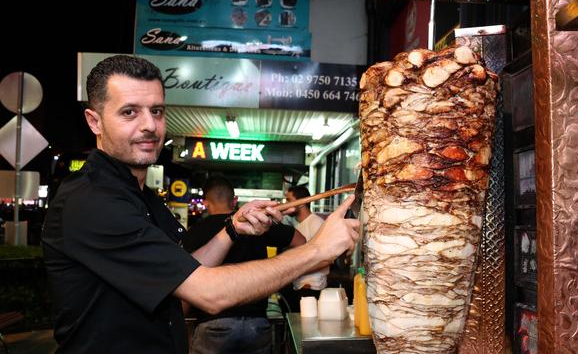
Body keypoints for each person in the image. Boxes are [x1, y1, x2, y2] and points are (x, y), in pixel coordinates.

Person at [41, 55, 359, 353]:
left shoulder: (140, 196)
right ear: (94, 122)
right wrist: (317, 249)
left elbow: (182, 272)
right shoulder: (92, 202)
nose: (149, 125)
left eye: (157, 111)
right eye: (129, 112)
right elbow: (209, 293)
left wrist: (231, 230)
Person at [182, 176, 305, 354]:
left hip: (213, 323)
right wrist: (281, 268)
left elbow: (186, 279)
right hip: (257, 323)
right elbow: (301, 242)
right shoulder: (258, 222)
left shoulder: (194, 232)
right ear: (235, 201)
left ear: (206, 203)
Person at [281, 185, 328, 312]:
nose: (285, 204)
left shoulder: (317, 224)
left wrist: (295, 270)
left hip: (311, 288)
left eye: (289, 200)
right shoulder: (299, 226)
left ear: (301, 203)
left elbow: (327, 260)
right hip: (300, 287)